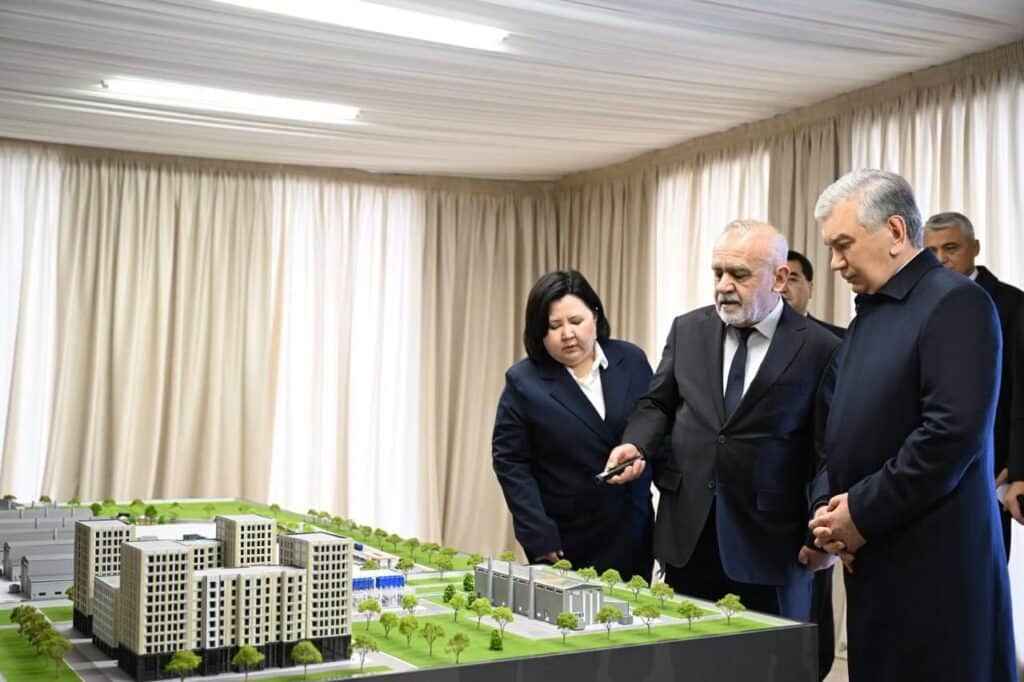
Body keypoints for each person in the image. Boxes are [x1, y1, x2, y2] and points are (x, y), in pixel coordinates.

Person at [809, 170, 1016, 681]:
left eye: (843, 245)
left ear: (896, 232)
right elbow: (837, 429)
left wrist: (859, 513)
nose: (835, 263)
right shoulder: (870, 315)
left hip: (936, 565)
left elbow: (950, 435)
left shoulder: (956, 302)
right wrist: (828, 512)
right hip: (874, 553)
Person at [604, 220, 840, 623]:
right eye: (718, 273)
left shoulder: (822, 348)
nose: (724, 286)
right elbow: (658, 403)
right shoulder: (687, 330)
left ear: (779, 278)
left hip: (773, 545)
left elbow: (829, 450)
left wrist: (821, 536)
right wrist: (637, 443)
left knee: (768, 657)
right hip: (688, 536)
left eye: (739, 274)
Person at [492, 270, 654, 580]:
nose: (567, 334)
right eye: (554, 326)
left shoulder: (631, 359)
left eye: (576, 321)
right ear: (539, 332)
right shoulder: (523, 381)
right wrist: (537, 532)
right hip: (566, 539)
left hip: (633, 527)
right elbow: (510, 462)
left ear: (595, 316)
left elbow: (656, 426)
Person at [924, 211, 1024, 552]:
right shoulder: (917, 304)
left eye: (950, 248)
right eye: (932, 251)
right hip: (926, 469)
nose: (941, 259)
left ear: (975, 248)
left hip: (992, 469)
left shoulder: (1013, 305)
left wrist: (1017, 467)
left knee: (983, 567)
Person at [780, 249, 841, 679]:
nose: (784, 287)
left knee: (812, 610)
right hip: (759, 506)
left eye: (794, 278)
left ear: (811, 288)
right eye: (778, 277)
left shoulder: (836, 343)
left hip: (815, 499)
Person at [782, 249, 846, 338]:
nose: (782, 288)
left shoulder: (838, 337)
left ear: (810, 289)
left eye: (792, 279)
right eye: (777, 279)